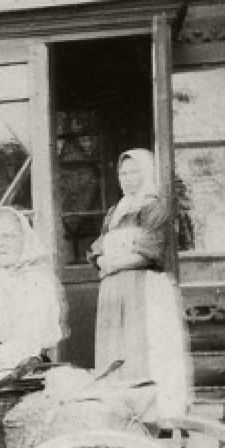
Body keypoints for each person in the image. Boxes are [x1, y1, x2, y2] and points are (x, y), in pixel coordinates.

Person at [90, 148, 193, 418]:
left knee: (144, 348)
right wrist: (103, 261)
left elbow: (153, 250)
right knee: (117, 351)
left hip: (144, 289)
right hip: (114, 291)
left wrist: (115, 263)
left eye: (134, 171)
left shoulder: (155, 208)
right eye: (123, 173)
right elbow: (98, 247)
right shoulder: (116, 211)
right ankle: (120, 417)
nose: (127, 178)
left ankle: (153, 415)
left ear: (147, 173)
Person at [0, 207, 67, 371]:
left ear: (24, 240)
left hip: (22, 366)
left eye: (8, 236)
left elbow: (30, 341)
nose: (0, 243)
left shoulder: (36, 281)